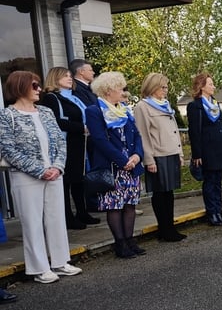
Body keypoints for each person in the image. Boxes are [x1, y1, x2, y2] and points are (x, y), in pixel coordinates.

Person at [0, 70, 83, 282]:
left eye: (38, 85)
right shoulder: (7, 115)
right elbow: (9, 149)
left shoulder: (45, 111)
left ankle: (60, 261)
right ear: (20, 87)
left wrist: (57, 166)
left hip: (54, 173)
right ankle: (39, 268)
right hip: (26, 176)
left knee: (56, 218)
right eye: (34, 85)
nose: (39, 89)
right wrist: (39, 170)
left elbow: (59, 141)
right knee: (32, 221)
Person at [85, 72, 145, 258]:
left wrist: (137, 156)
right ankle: (120, 244)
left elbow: (136, 135)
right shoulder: (94, 111)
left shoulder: (125, 109)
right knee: (114, 206)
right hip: (113, 167)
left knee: (130, 204)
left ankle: (130, 240)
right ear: (109, 90)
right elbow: (100, 140)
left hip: (131, 165)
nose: (123, 91)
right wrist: (122, 161)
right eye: (120, 88)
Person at [38, 66, 100, 230]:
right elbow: (55, 121)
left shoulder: (74, 97)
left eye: (69, 75)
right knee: (66, 182)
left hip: (79, 143)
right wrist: (81, 128)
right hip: (66, 144)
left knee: (78, 180)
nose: (69, 78)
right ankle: (67, 217)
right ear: (55, 78)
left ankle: (82, 212)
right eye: (65, 76)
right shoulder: (51, 98)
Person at [133, 73, 186, 242]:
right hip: (157, 155)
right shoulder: (143, 106)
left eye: (166, 87)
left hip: (171, 153)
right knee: (160, 194)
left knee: (169, 193)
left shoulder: (164, 104)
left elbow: (174, 131)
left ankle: (169, 227)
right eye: (163, 87)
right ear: (152, 87)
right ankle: (164, 229)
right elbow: (143, 135)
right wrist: (148, 159)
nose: (166, 90)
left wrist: (180, 153)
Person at [187, 72, 222, 225]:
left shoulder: (215, 104)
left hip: (218, 147)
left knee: (217, 182)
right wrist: (196, 154)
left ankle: (219, 212)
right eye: (210, 84)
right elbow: (194, 132)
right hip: (206, 150)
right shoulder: (195, 106)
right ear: (202, 86)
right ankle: (211, 213)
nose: (213, 87)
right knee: (209, 182)